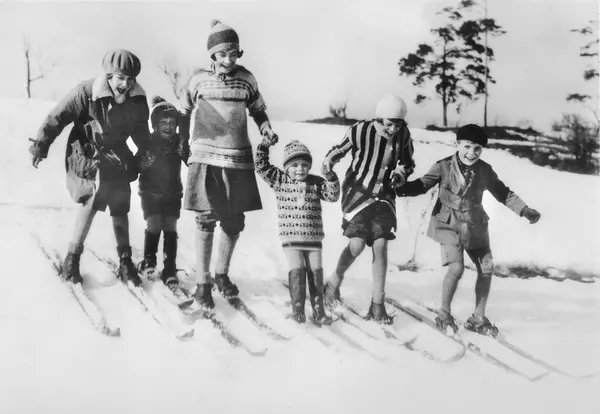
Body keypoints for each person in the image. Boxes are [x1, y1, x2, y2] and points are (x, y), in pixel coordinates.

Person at [397, 124, 541, 336]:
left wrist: (524, 210)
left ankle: (478, 317)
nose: (472, 153)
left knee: (487, 268)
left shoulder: (485, 170)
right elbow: (422, 185)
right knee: (456, 269)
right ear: (457, 144)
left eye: (477, 149)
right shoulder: (443, 166)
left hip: (475, 225)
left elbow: (503, 193)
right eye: (467, 146)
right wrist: (399, 187)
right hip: (448, 224)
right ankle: (444, 314)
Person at [28, 49, 150, 287]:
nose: (125, 84)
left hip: (116, 153)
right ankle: (72, 258)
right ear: (109, 76)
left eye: (131, 79)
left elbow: (141, 132)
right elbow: (57, 117)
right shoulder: (86, 92)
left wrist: (145, 154)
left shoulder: (136, 98)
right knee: (92, 198)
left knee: (120, 203)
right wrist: (41, 145)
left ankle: (125, 261)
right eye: (120, 78)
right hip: (86, 150)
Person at [179, 19, 279, 309]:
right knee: (206, 218)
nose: (228, 60)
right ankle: (203, 283)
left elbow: (258, 111)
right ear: (212, 54)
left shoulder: (246, 79)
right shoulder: (198, 80)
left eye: (233, 54)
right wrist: (183, 143)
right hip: (206, 157)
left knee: (234, 220)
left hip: (237, 158)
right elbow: (184, 113)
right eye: (222, 54)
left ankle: (221, 274)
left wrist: (266, 128)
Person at [321, 94, 415, 325]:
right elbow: (339, 150)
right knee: (357, 245)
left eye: (398, 124)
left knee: (381, 244)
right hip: (358, 192)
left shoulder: (403, 135)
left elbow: (407, 162)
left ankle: (377, 305)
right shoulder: (360, 130)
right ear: (377, 119)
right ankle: (333, 282)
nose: (393, 129)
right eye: (389, 124)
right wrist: (328, 162)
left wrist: (401, 173)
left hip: (384, 195)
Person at [255, 138, 340, 325]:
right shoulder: (280, 180)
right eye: (294, 165)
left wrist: (330, 176)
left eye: (304, 165)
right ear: (286, 168)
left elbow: (333, 196)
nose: (300, 169)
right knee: (297, 269)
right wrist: (264, 146)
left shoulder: (316, 182)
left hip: (314, 238)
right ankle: (298, 311)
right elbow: (261, 166)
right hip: (291, 238)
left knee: (316, 272)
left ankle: (319, 310)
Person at [137, 96, 190, 289]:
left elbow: (189, 160)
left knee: (170, 227)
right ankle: (149, 261)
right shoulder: (149, 143)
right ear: (154, 125)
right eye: (163, 122)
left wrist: (185, 145)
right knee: (154, 224)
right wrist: (145, 159)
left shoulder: (178, 143)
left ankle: (169, 268)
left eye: (172, 122)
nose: (168, 126)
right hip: (150, 194)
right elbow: (137, 164)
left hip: (172, 193)